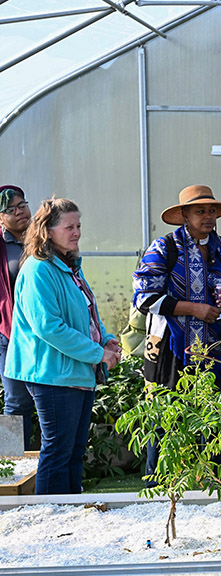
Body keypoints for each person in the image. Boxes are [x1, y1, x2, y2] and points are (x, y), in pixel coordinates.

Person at [133, 185, 221, 481]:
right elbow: (144, 298)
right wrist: (193, 309)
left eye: (212, 211)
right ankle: (159, 484)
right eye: (201, 211)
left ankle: (218, 484)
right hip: (171, 351)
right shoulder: (164, 248)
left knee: (219, 417)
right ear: (184, 215)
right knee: (165, 417)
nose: (208, 217)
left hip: (219, 349)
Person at [6, 198, 121, 494]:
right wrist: (98, 353)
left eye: (78, 225)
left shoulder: (70, 267)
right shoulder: (38, 269)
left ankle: (70, 514)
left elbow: (86, 313)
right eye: (69, 226)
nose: (77, 232)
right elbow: (48, 327)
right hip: (52, 373)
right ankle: (50, 518)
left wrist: (105, 338)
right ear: (48, 230)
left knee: (73, 450)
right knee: (57, 451)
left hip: (75, 371)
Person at [0, 185, 34, 449]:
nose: (19, 212)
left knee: (47, 400)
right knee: (16, 401)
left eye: (22, 205)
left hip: (44, 332)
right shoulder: (3, 246)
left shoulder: (44, 239)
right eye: (9, 210)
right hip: (10, 335)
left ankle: (46, 468)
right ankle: (12, 466)